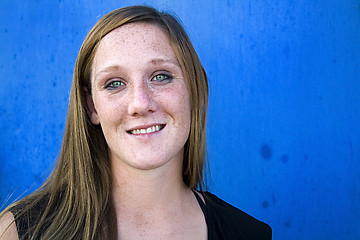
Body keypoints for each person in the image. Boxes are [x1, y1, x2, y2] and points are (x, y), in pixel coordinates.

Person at [0, 5, 271, 240]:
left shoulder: (248, 233)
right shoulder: (19, 231)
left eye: (161, 76)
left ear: (194, 90)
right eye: (114, 84)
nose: (140, 103)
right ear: (91, 106)